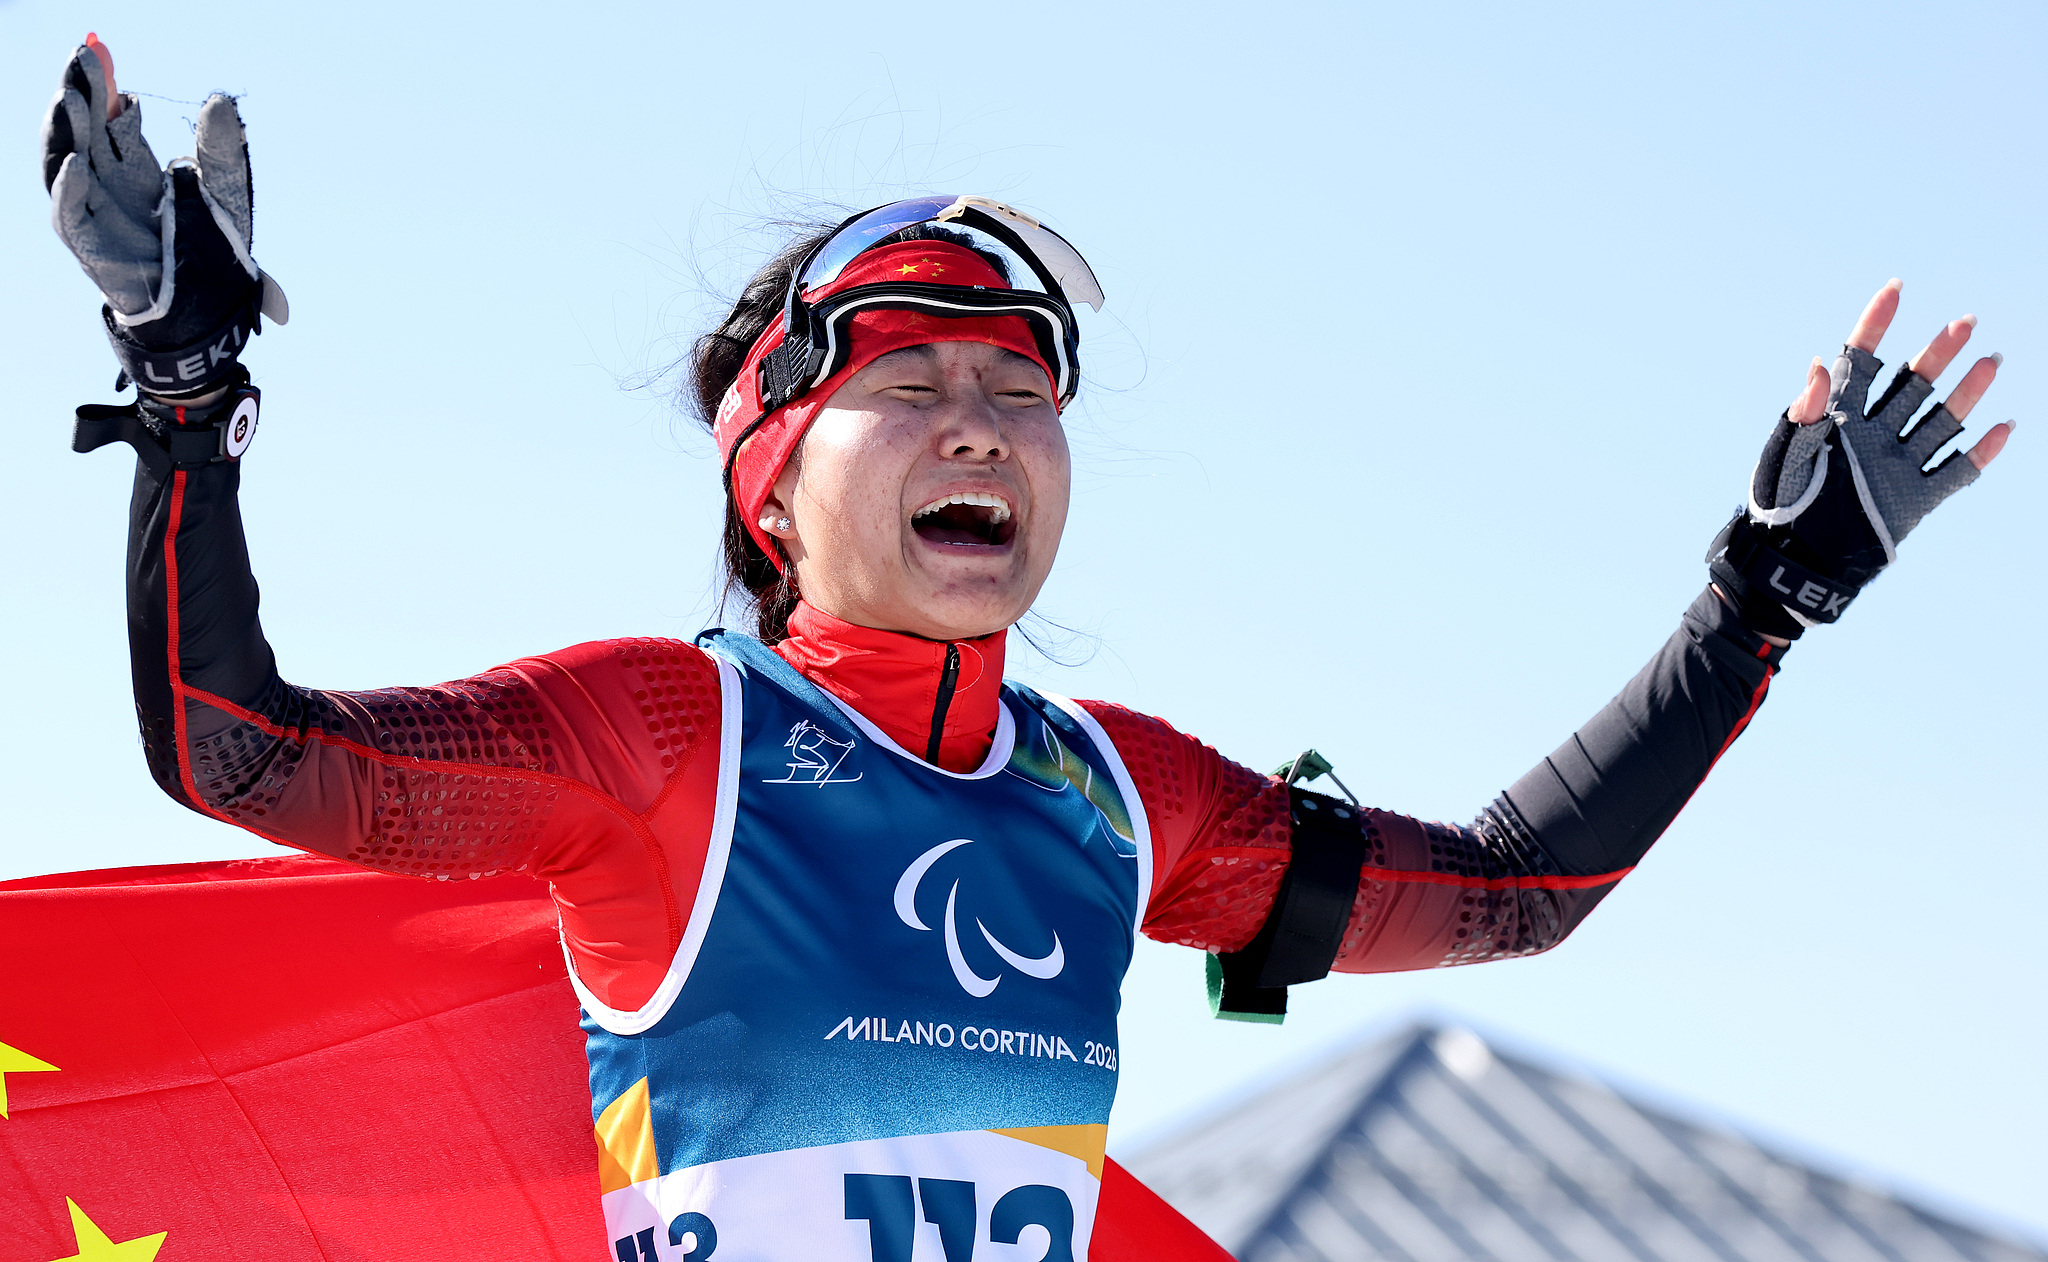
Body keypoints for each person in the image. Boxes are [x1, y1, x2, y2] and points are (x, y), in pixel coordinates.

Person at [41, 35, 2013, 1262]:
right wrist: (190, 396)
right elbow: (238, 746)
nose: (982, 426)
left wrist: (1762, 600)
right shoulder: (664, 738)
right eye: (912, 385)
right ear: (768, 485)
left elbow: (1513, 895)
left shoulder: (1113, 792)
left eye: (1022, 389)